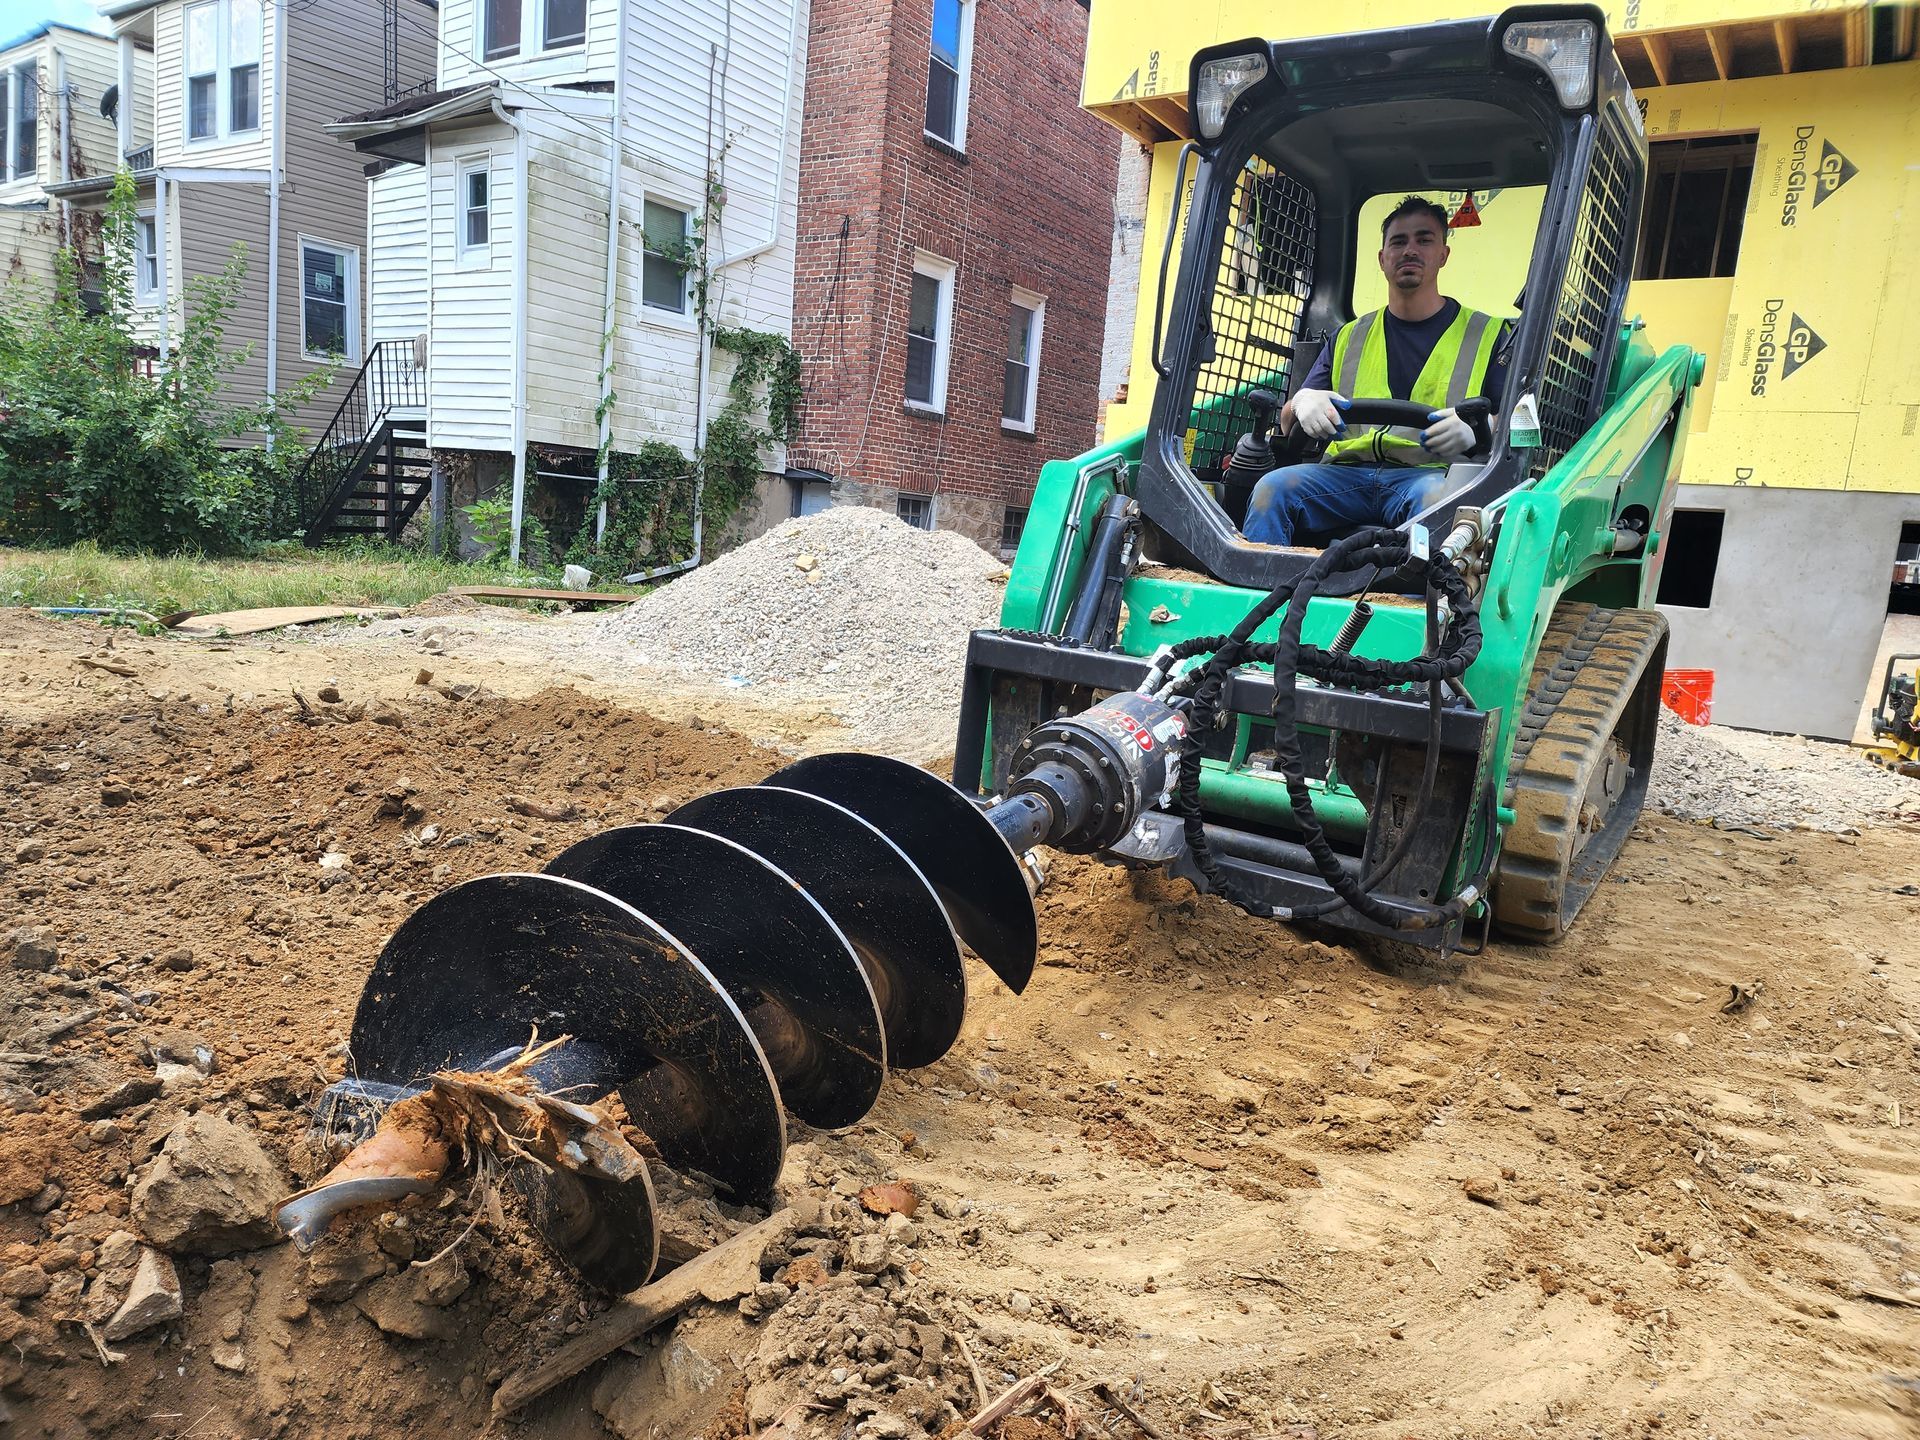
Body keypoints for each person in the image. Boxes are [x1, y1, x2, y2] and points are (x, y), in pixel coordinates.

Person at [1242, 195, 1510, 546]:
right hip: (1342, 475)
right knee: (1271, 490)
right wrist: (1304, 400)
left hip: (1428, 475)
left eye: (1424, 240)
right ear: (1383, 259)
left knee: (1439, 505)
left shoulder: (1486, 335)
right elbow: (1289, 420)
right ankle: (1264, 596)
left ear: (1443, 255)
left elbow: (1515, 422)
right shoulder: (1349, 336)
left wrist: (1480, 429)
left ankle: (1427, 601)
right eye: (1398, 242)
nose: (1410, 250)